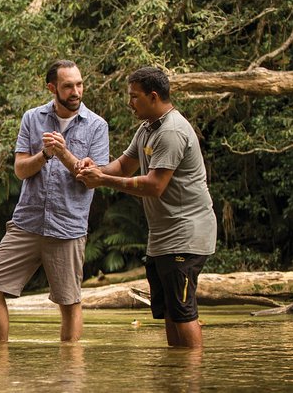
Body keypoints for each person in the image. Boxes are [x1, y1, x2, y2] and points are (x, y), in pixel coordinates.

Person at [76, 66, 216, 348]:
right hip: (163, 239)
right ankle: (175, 376)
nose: (130, 103)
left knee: (184, 311)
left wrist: (102, 180)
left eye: (134, 97)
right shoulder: (147, 129)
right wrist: (96, 167)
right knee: (169, 311)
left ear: (154, 97)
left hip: (185, 236)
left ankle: (191, 380)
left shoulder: (172, 131)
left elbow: (154, 185)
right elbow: (124, 166)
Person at [0, 60, 110, 343]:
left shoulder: (97, 126)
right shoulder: (32, 118)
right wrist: (45, 155)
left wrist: (63, 154)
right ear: (52, 88)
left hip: (68, 226)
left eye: (79, 84)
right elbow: (21, 169)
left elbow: (93, 178)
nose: (76, 91)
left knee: (69, 303)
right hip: (27, 222)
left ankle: (69, 377)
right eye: (68, 86)